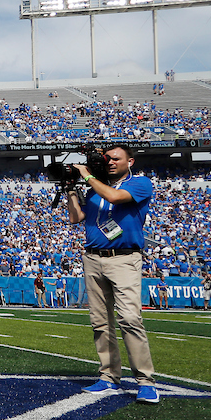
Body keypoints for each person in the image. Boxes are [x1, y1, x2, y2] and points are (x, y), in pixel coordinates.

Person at [65, 144, 159, 404]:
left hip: (124, 258)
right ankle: (108, 376)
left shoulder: (140, 183)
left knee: (129, 318)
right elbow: (77, 217)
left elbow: (116, 198)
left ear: (130, 161)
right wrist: (71, 189)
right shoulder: (94, 188)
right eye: (107, 159)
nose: (110, 162)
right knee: (100, 323)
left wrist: (86, 176)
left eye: (116, 159)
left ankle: (145, 381)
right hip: (93, 257)